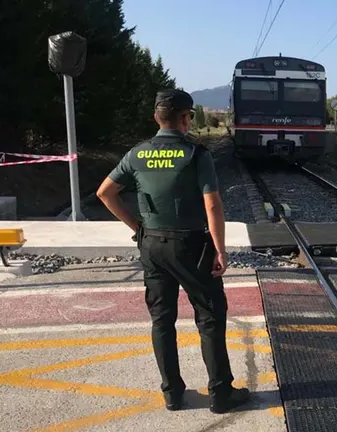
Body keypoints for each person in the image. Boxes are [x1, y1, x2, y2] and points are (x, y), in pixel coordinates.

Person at [96, 88, 249, 413]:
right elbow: (212, 204)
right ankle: (220, 393)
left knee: (162, 320)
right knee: (209, 315)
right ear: (185, 118)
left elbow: (105, 193)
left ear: (156, 117)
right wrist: (220, 250)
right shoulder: (196, 154)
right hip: (190, 245)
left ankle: (172, 394)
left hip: (151, 244)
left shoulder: (137, 154)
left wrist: (137, 227)